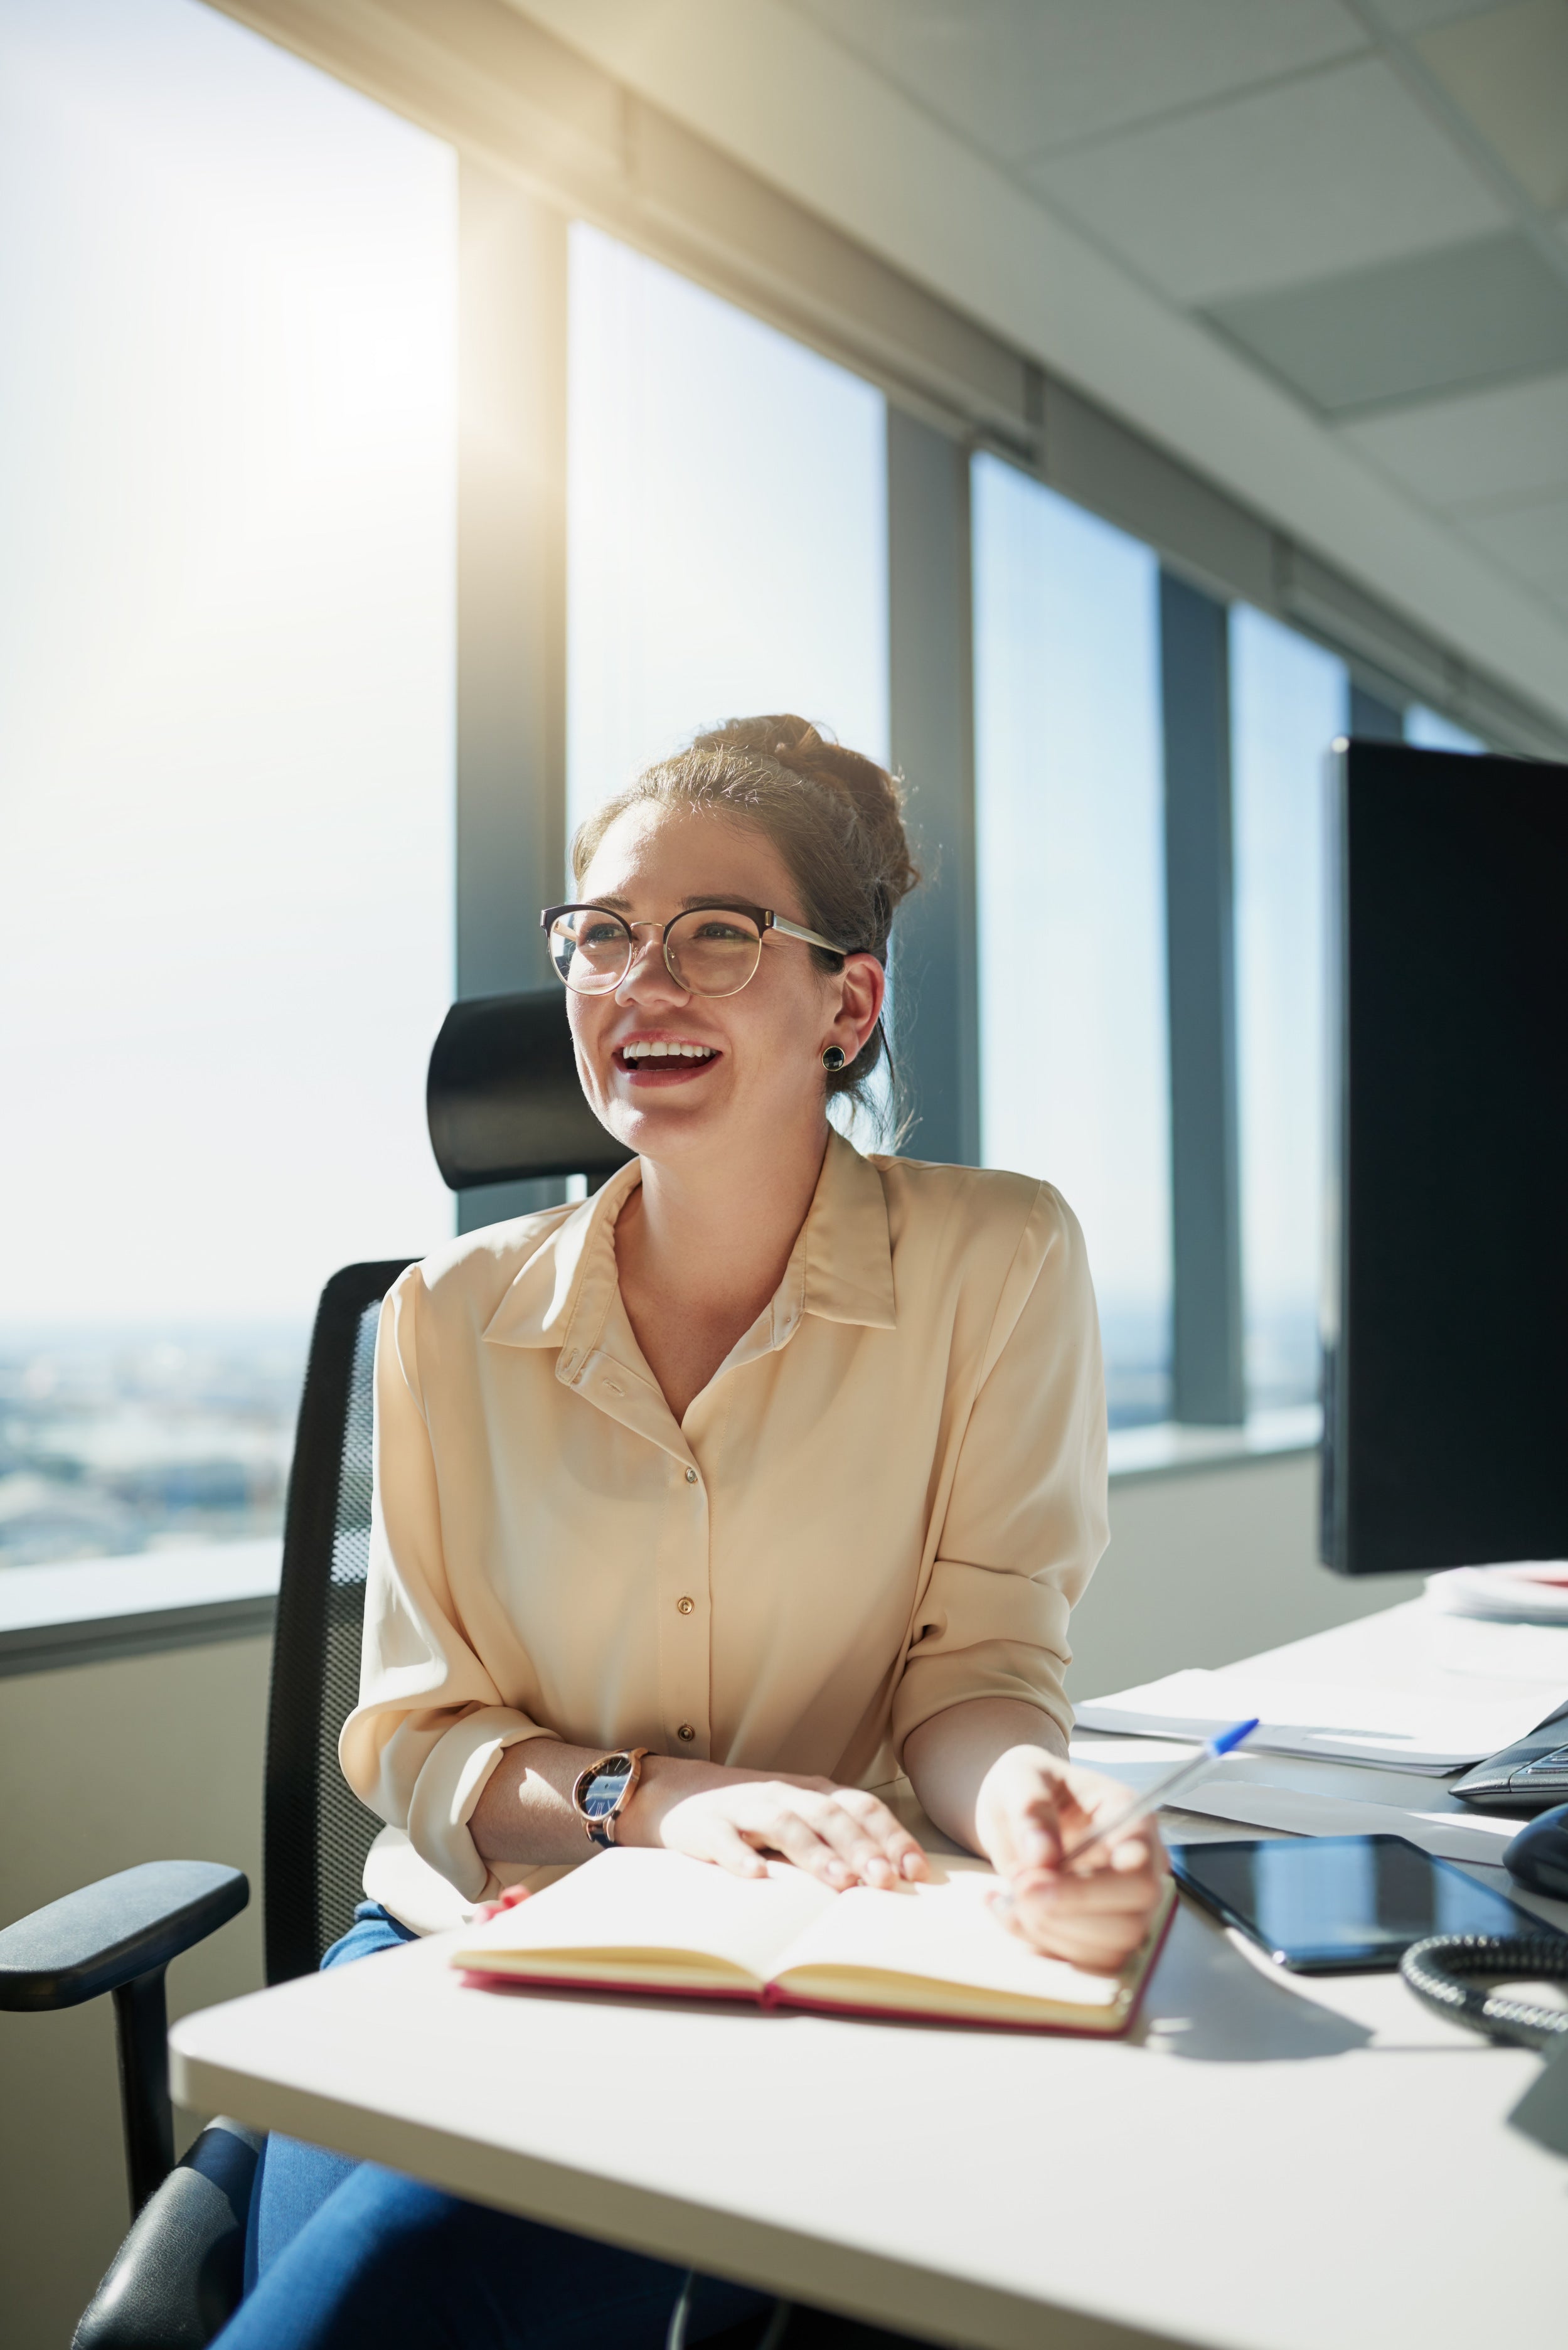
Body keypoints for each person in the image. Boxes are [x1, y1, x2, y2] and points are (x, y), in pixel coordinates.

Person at [220, 716, 1168, 2350]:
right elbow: (423, 1734)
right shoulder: (444, 1316)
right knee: (361, 2269)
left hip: (823, 1953)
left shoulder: (996, 1259)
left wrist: (1029, 1806)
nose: (637, 982)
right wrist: (657, 1801)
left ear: (845, 1000)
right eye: (602, 935)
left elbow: (977, 1669)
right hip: (475, 1922)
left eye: (715, 934)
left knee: (420, 2259)